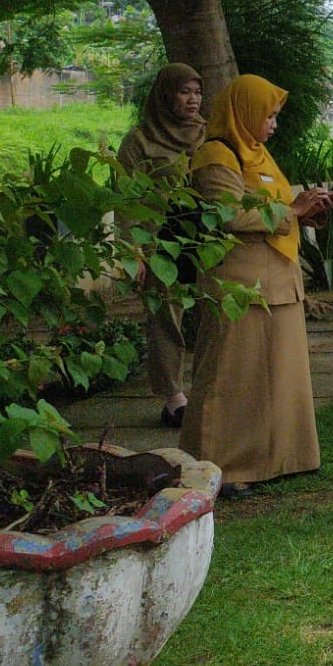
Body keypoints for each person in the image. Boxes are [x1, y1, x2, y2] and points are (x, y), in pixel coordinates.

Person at [181, 75, 333, 494]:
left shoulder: (259, 154)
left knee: (279, 375)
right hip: (238, 283)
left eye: (274, 116)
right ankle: (221, 467)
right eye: (268, 115)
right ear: (245, 111)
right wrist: (292, 210)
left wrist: (310, 209)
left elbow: (278, 208)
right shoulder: (216, 155)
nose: (272, 124)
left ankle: (282, 458)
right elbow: (226, 215)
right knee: (231, 377)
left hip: (277, 279)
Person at [117, 63, 206, 429]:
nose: (193, 98)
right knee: (165, 319)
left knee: (209, 313)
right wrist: (130, 251)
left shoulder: (209, 134)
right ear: (166, 95)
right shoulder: (139, 140)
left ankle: (208, 392)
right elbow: (124, 199)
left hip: (204, 237)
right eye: (185, 91)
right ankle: (174, 398)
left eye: (197, 91)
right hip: (158, 240)